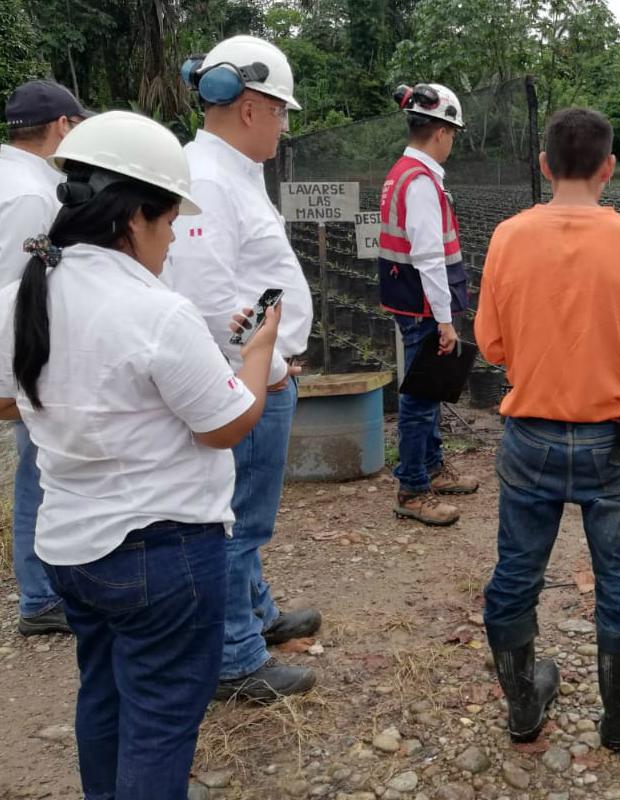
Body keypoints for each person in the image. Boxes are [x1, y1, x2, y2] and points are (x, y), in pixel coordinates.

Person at [0, 110, 277, 799]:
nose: (175, 235)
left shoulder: (22, 294)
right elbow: (226, 423)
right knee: (160, 721)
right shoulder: (156, 311)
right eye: (170, 220)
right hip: (164, 554)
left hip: (70, 550)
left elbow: (12, 401)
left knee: (105, 697)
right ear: (133, 218)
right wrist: (260, 355)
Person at [474, 107, 620, 750]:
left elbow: (492, 345)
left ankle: (523, 705)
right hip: (610, 443)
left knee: (515, 575)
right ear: (608, 168)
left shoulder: (509, 237)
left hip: (528, 438)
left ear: (544, 166)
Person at [163, 34, 319, 701]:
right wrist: (271, 368)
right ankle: (234, 657)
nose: (285, 126)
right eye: (281, 111)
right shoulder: (205, 177)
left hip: (255, 373)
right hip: (245, 378)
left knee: (244, 514)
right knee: (234, 519)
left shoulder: (228, 172)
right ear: (250, 106)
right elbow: (206, 300)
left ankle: (256, 616)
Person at [0, 80, 91, 637]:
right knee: (41, 467)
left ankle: (42, 586)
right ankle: (38, 595)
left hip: (18, 350)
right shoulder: (32, 193)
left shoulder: (13, 177)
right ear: (61, 125)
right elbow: (16, 288)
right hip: (24, 349)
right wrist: (20, 376)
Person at [378, 82, 481, 528]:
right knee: (421, 398)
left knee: (432, 388)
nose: (452, 142)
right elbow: (428, 257)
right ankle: (413, 489)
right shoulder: (419, 183)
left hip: (412, 301)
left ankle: (434, 468)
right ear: (440, 132)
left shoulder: (403, 172)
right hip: (423, 306)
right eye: (453, 134)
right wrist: (444, 321)